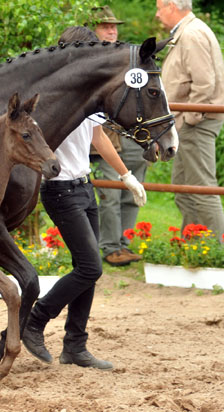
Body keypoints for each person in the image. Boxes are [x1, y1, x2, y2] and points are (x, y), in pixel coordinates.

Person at [14, 26, 147, 371]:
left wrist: (126, 175)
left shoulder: (89, 94)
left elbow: (98, 137)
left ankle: (75, 345)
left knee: (87, 270)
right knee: (91, 266)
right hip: (60, 189)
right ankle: (34, 322)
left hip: (84, 186)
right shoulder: (50, 96)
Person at [156, 0, 224, 241]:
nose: (157, 14)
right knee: (183, 190)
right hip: (190, 123)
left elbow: (205, 82)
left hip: (196, 122)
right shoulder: (188, 31)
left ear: (171, 6)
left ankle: (216, 253)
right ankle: (194, 247)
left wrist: (190, 118)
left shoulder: (192, 33)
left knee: (201, 189)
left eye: (159, 8)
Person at [90, 5, 146, 266]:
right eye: (105, 26)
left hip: (132, 132)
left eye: (114, 26)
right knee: (110, 193)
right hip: (105, 134)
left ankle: (125, 243)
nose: (112, 30)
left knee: (134, 189)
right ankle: (110, 247)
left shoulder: (128, 55)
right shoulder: (87, 58)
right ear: (92, 29)